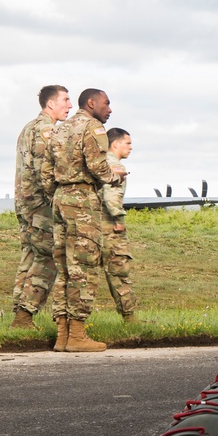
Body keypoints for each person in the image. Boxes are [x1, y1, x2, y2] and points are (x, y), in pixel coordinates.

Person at [41, 88, 125, 353]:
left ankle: (63, 335)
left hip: (60, 199)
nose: (109, 109)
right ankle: (77, 334)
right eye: (106, 104)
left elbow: (46, 174)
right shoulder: (93, 127)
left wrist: (59, 194)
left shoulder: (60, 129)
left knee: (64, 268)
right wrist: (116, 177)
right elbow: (98, 166)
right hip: (82, 201)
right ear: (91, 103)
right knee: (84, 267)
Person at [10, 84, 72, 328]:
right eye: (65, 100)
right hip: (40, 205)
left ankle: (18, 314)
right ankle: (25, 315)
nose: (69, 106)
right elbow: (42, 170)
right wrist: (55, 199)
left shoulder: (28, 127)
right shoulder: (47, 129)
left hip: (25, 204)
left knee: (30, 256)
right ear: (50, 104)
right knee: (48, 257)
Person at [101, 127, 136, 321]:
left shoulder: (99, 163)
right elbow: (111, 196)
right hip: (109, 227)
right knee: (119, 270)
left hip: (93, 226)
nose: (131, 148)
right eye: (127, 143)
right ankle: (129, 317)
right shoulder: (116, 167)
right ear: (115, 143)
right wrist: (119, 220)